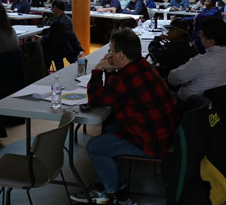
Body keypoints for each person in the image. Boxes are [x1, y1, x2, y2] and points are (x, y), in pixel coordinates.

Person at [71, 29, 178, 204]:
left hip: (150, 143)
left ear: (120, 55)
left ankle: (114, 193)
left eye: (111, 51)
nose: (109, 54)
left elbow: (95, 100)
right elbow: (117, 94)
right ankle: (102, 183)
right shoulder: (143, 66)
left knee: (94, 146)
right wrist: (113, 71)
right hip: (164, 134)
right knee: (109, 129)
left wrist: (98, 70)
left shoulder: (123, 80)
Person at [168, 17, 226, 100]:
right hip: (224, 102)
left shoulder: (201, 61)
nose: (199, 36)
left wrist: (188, 78)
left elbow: (173, 79)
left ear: (211, 41)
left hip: (194, 104)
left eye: (201, 34)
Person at [41, 0, 82, 70]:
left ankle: (43, 71)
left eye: (52, 8)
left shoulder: (56, 23)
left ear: (55, 8)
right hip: (69, 47)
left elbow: (49, 39)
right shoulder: (68, 19)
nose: (52, 10)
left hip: (58, 50)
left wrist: (41, 38)